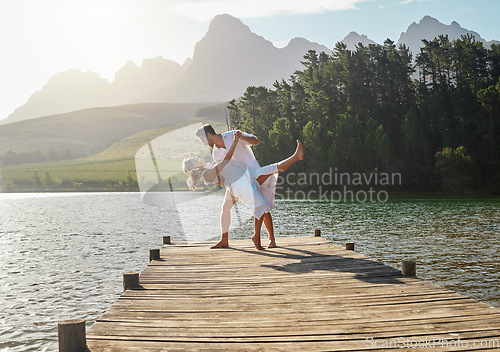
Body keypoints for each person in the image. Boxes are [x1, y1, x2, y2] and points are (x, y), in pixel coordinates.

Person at [184, 126, 303, 249]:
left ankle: (271, 239)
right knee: (226, 208)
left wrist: (242, 137)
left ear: (208, 135)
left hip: (251, 173)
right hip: (237, 182)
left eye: (202, 139)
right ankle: (225, 240)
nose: (202, 142)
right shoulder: (216, 153)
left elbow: (256, 141)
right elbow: (222, 170)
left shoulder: (232, 135)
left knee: (264, 206)